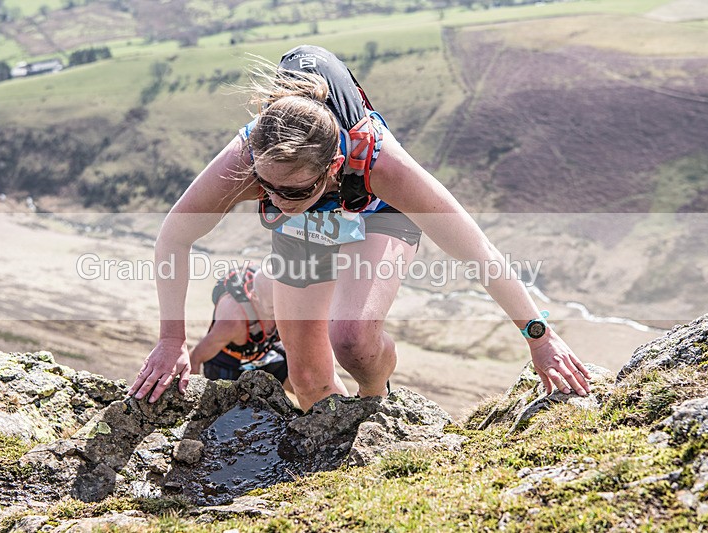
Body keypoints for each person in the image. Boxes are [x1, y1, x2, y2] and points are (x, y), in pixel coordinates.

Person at [130, 44, 591, 411]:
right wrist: (172, 338)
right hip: (311, 221)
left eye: (288, 191)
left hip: (376, 209)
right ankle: (332, 457)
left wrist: (541, 337)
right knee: (307, 377)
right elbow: (175, 236)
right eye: (264, 188)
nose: (271, 200)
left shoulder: (381, 164)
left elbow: (477, 252)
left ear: (332, 166)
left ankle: (376, 404)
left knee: (351, 337)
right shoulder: (251, 161)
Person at [190, 265, 292, 391]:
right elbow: (195, 357)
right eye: (273, 308)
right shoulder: (233, 322)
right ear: (254, 297)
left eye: (284, 306)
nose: (281, 313)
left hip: (261, 351)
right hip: (226, 361)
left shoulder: (289, 304)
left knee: (301, 370)